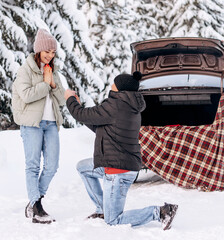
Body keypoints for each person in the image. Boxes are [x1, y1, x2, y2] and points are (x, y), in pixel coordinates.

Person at [64, 72, 178, 230]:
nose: (112, 85)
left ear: (120, 88)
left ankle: (160, 213)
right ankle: (102, 209)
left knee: (113, 220)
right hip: (119, 163)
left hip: (117, 170)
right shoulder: (128, 106)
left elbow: (80, 114)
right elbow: (100, 127)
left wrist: (70, 99)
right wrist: (81, 112)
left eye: (114, 83)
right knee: (83, 167)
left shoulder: (116, 105)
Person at [12, 28, 66, 224]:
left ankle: (35, 201)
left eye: (53, 53)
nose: (50, 56)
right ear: (38, 51)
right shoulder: (25, 70)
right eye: (47, 52)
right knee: (33, 166)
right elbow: (26, 95)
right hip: (31, 124)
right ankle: (36, 208)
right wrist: (45, 83)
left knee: (52, 166)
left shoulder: (52, 71)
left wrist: (52, 84)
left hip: (51, 124)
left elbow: (60, 100)